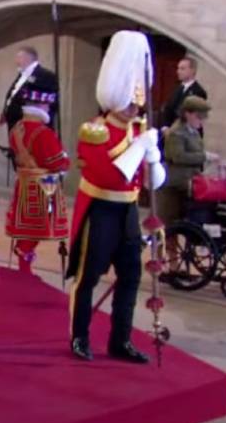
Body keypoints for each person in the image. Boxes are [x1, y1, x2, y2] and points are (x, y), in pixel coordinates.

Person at [68, 30, 164, 364]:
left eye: (137, 101)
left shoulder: (139, 131)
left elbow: (153, 181)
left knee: (131, 276)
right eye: (129, 100)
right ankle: (79, 336)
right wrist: (140, 148)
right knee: (89, 276)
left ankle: (119, 339)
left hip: (127, 212)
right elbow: (110, 174)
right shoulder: (94, 130)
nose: (134, 106)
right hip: (100, 210)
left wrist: (152, 156)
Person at [4, 75, 70, 275]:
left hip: (24, 182)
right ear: (41, 104)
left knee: (28, 228)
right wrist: (65, 158)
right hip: (43, 184)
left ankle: (25, 267)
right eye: (47, 105)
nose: (49, 109)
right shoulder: (43, 133)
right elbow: (56, 162)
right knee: (38, 229)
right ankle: (25, 263)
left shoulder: (17, 128)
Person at [159, 96, 216, 228]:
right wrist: (205, 156)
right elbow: (178, 156)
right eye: (198, 117)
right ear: (187, 114)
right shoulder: (176, 132)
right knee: (170, 222)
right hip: (174, 184)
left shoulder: (194, 132)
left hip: (189, 183)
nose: (201, 121)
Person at [1, 46, 58, 128]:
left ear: (27, 58)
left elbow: (49, 101)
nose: (16, 61)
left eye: (19, 57)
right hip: (15, 124)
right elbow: (13, 95)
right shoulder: (22, 75)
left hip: (32, 124)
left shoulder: (45, 75)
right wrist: (6, 111)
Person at [159, 56, 208, 134]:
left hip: (187, 136)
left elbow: (189, 116)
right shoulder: (177, 89)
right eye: (178, 68)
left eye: (182, 69)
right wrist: (165, 127)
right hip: (171, 134)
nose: (178, 71)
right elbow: (168, 108)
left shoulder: (199, 92)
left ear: (192, 70)